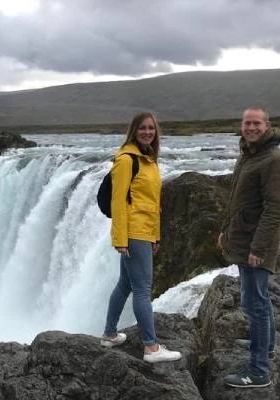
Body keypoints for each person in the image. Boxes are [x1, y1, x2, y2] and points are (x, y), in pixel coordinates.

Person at [100, 112, 182, 363]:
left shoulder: (149, 160)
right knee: (143, 290)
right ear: (134, 131)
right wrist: (120, 239)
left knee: (125, 284)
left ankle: (109, 334)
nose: (148, 132)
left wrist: (155, 236)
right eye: (142, 128)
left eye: (151, 129)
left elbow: (152, 203)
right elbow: (118, 200)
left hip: (144, 231)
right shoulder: (127, 160)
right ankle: (151, 348)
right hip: (133, 232)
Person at [218, 106, 280, 388]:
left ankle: (258, 370)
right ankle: (267, 345)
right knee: (257, 299)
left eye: (256, 123)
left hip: (256, 242)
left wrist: (259, 248)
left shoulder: (275, 160)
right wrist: (224, 230)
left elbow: (276, 210)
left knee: (255, 303)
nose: (250, 127)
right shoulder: (249, 154)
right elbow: (237, 199)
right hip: (242, 236)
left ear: (267, 125)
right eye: (247, 123)